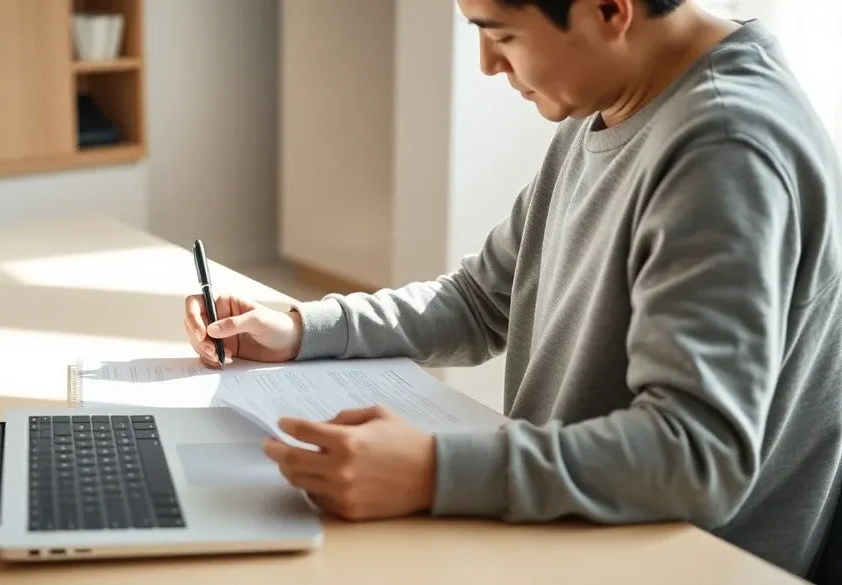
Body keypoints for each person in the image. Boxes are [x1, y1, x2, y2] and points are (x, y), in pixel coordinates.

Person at [183, 0, 842, 576]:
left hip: (669, 558)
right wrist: (301, 329)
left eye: (500, 34)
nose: (486, 64)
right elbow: (482, 298)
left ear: (609, 9)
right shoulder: (614, 102)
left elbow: (697, 457)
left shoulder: (726, 152)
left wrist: (433, 469)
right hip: (571, 527)